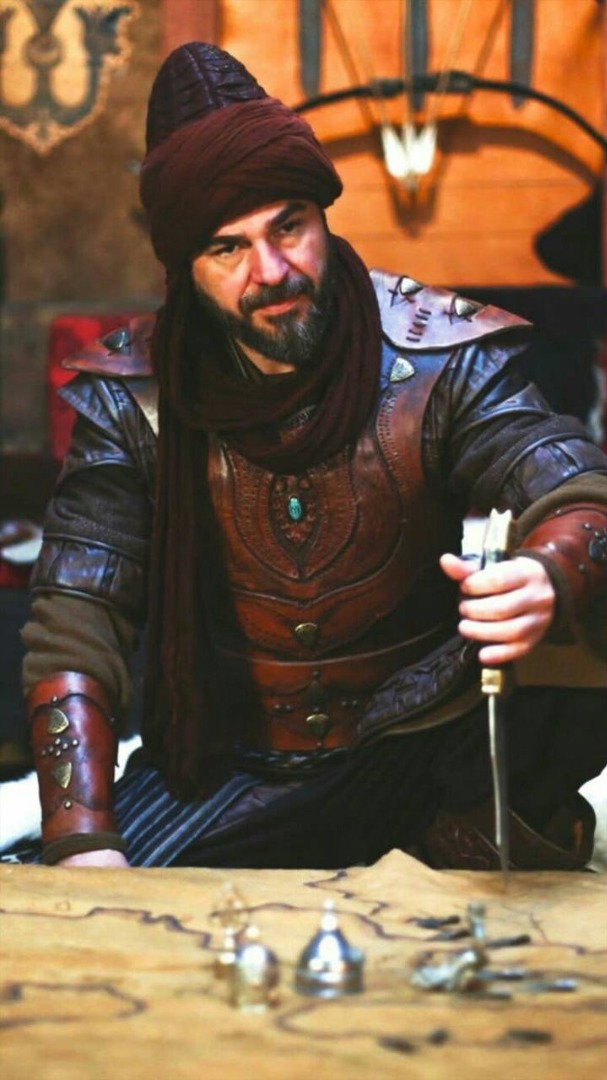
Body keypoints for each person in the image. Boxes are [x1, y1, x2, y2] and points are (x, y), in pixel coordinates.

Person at [21, 42, 607, 871]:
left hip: (419, 737)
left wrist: (545, 574)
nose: (271, 271)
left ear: (323, 215)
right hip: (233, 758)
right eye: (227, 248)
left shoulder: (438, 355)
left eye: (288, 226)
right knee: (117, 900)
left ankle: (457, 822)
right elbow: (79, 617)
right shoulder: (134, 396)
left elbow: (575, 484)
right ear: (184, 268)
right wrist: (80, 837)